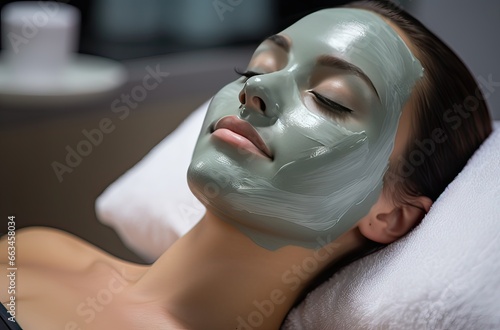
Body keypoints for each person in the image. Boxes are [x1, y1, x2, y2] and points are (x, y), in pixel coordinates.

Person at [0, 1, 492, 329]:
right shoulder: (36, 251)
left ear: (389, 214)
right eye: (258, 67)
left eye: (330, 99)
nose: (255, 90)